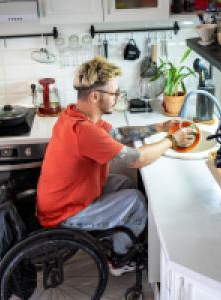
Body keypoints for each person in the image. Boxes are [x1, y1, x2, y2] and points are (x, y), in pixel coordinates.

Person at [36, 56, 195, 274]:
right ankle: (119, 260)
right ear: (94, 96)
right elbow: (137, 159)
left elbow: (118, 133)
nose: (117, 98)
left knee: (122, 183)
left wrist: (159, 127)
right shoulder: (84, 131)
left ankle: (114, 240)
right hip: (65, 212)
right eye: (114, 93)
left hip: (65, 196)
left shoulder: (74, 114)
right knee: (137, 201)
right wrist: (172, 140)